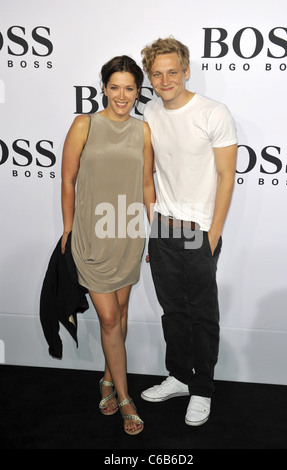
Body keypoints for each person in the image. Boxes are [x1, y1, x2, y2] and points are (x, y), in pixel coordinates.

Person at [140, 38, 238, 426]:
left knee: (202, 315)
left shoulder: (213, 112)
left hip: (200, 232)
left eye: (172, 72)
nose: (165, 80)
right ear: (150, 77)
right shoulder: (149, 109)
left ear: (186, 70)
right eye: (157, 74)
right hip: (162, 229)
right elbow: (148, 173)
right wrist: (153, 223)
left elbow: (226, 177)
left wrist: (212, 235)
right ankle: (180, 376)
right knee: (173, 312)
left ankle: (203, 389)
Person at [61, 55, 155, 436]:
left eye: (129, 88)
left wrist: (158, 235)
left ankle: (106, 378)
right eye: (114, 86)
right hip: (92, 235)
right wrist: (69, 231)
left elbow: (148, 185)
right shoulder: (84, 124)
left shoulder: (144, 131)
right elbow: (68, 180)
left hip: (129, 231)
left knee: (121, 309)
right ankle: (126, 396)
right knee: (110, 318)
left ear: (138, 91)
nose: (121, 95)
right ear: (103, 87)